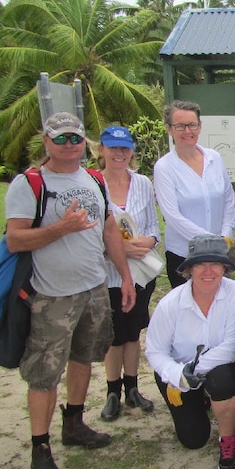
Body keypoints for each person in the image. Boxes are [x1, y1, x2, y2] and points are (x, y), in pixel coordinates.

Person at [5, 112, 135, 469]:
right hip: (51, 295)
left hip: (94, 288)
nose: (69, 145)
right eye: (60, 139)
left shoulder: (93, 179)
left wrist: (124, 276)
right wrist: (62, 228)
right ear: (45, 141)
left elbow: (109, 228)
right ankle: (40, 447)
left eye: (75, 138)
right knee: (45, 373)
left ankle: (74, 422)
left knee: (84, 358)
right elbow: (15, 239)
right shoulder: (29, 183)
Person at [145, 235, 235, 469]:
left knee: (222, 379)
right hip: (177, 374)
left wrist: (195, 370)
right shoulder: (170, 304)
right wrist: (179, 374)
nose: (208, 271)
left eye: (216, 263)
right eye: (201, 264)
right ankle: (201, 400)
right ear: (189, 269)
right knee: (194, 439)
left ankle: (228, 441)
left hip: (215, 368)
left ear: (226, 267)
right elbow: (155, 351)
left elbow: (232, 345)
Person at [96, 126, 159, 421]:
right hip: (107, 272)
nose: (119, 154)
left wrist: (146, 243)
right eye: (113, 148)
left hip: (139, 270)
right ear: (102, 150)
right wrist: (118, 249)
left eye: (124, 149)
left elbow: (153, 227)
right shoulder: (93, 183)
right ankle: (113, 392)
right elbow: (90, 231)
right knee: (114, 335)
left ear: (131, 151)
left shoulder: (143, 183)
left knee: (132, 331)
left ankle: (133, 387)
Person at [153, 100, 235, 288]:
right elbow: (172, 216)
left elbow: (228, 199)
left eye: (192, 125)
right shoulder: (164, 168)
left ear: (200, 127)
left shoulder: (214, 158)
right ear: (169, 129)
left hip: (219, 254)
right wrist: (213, 241)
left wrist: (225, 235)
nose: (187, 131)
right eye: (180, 126)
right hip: (184, 255)